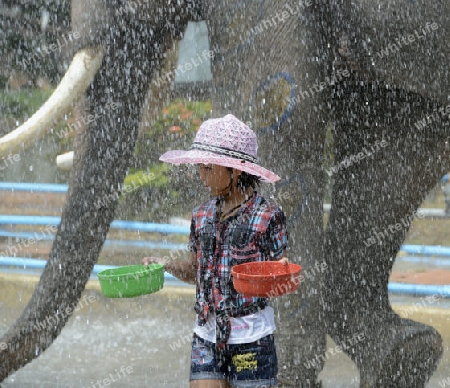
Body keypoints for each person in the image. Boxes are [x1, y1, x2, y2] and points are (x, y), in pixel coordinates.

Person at [142, 114, 289, 388]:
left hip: (251, 338)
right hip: (207, 335)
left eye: (209, 168)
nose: (201, 175)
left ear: (236, 171)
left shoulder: (267, 217)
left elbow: (282, 274)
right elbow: (196, 270)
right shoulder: (201, 215)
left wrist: (280, 275)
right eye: (200, 167)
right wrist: (166, 264)